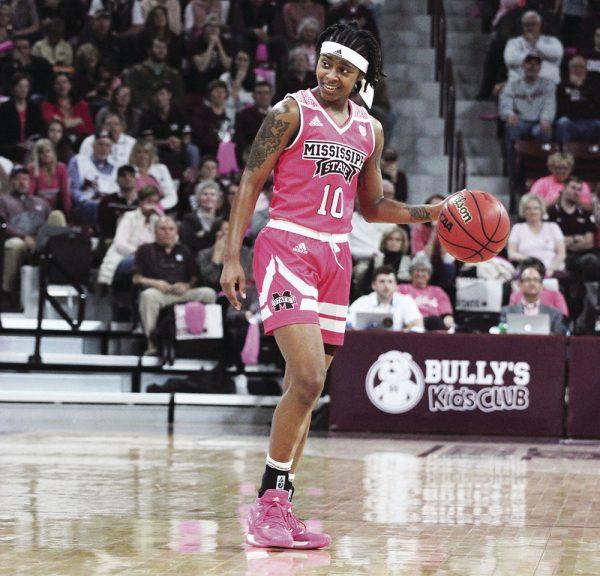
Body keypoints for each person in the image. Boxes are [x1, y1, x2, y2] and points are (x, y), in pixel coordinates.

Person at [220, 23, 445, 549]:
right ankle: (268, 506)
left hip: (336, 257)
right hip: (286, 247)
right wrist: (232, 256)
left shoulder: (370, 131)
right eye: (326, 63)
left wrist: (429, 212)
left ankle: (282, 505)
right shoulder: (289, 113)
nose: (331, 75)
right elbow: (250, 181)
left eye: (344, 69)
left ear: (361, 76)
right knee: (304, 378)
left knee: (309, 389)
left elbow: (372, 207)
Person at [133, 215, 217, 354]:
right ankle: (152, 344)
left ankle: (207, 342)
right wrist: (155, 283)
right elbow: (136, 278)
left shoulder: (184, 250)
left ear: (176, 232)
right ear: (155, 231)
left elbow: (195, 276)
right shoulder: (145, 250)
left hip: (182, 293)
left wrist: (187, 286)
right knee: (147, 296)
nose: (167, 232)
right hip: (160, 293)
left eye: (171, 229)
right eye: (163, 229)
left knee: (208, 293)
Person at [0, 166, 63, 309]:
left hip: (40, 241)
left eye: (25, 179)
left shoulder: (40, 202)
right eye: (18, 179)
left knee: (58, 215)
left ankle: (62, 275)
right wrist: (23, 236)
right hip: (17, 240)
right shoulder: (3, 200)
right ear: (11, 182)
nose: (22, 182)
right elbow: (2, 225)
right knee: (15, 245)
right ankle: (7, 293)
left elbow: (51, 223)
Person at [499, 53, 555, 185]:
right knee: (511, 129)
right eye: (529, 63)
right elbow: (505, 102)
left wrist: (546, 119)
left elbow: (550, 104)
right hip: (520, 121)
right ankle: (513, 174)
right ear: (523, 65)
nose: (532, 66)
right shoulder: (513, 84)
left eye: (536, 64)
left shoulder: (547, 84)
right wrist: (509, 115)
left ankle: (540, 173)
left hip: (538, 123)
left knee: (545, 132)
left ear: (540, 67)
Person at [98, 185, 161, 288]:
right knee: (136, 262)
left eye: (155, 203)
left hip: (150, 262)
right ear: (140, 202)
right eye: (149, 201)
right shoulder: (129, 217)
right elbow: (120, 244)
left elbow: (171, 240)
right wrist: (140, 253)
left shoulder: (157, 220)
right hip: (124, 258)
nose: (152, 206)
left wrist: (160, 215)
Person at [348, 265, 423, 331]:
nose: (386, 286)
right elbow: (347, 322)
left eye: (390, 281)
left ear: (396, 285)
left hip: (397, 345)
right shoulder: (362, 302)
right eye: (382, 281)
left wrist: (406, 332)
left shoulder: (406, 301)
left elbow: (417, 326)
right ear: (373, 285)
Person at [68, 130, 119, 225]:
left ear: (111, 148)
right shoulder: (79, 161)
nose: (103, 148)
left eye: (107, 145)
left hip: (110, 206)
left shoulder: (117, 168)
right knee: (95, 207)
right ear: (93, 145)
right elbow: (73, 190)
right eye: (100, 144)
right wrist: (86, 200)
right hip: (86, 206)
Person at [507, 193, 566, 276]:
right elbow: (511, 253)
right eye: (528, 209)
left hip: (553, 269)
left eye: (536, 208)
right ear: (523, 211)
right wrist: (532, 262)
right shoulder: (518, 228)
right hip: (528, 268)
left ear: (541, 210)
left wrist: (551, 268)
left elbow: (561, 254)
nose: (532, 212)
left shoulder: (553, 227)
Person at [500, 265, 567, 334]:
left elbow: (558, 339)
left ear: (541, 286)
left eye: (536, 280)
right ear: (520, 285)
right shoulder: (507, 312)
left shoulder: (554, 313)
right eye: (527, 280)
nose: (532, 283)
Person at [397, 253, 454, 331]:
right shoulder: (402, 289)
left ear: (429, 274)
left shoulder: (437, 291)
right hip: (410, 326)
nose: (420, 274)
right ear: (411, 273)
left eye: (424, 270)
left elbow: (447, 315)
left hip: (434, 327)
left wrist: (448, 321)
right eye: (416, 270)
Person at [504, 11, 563, 85]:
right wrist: (539, 58)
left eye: (533, 24)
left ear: (539, 25)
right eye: (527, 25)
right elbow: (510, 60)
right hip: (519, 86)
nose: (530, 27)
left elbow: (557, 54)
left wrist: (535, 43)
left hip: (547, 86)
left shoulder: (552, 41)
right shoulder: (513, 42)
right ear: (522, 26)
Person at [126, 38, 184, 109]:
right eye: (158, 47)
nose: (162, 51)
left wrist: (165, 106)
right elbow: (132, 93)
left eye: (164, 48)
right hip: (142, 111)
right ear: (149, 50)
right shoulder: (136, 71)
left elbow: (178, 97)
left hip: (166, 112)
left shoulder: (173, 74)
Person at [555, 55, 600, 146]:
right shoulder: (562, 86)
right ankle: (564, 155)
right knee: (562, 122)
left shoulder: (594, 86)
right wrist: (577, 90)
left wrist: (579, 89)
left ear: (586, 69)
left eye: (581, 67)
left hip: (589, 122)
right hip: (571, 122)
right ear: (569, 68)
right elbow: (562, 108)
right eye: (575, 66)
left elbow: (596, 107)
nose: (578, 69)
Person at [0, 73, 45, 163]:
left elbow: (40, 130)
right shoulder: (4, 109)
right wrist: (16, 145)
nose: (23, 90)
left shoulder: (34, 108)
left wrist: (32, 143)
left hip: (31, 150)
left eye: (26, 86)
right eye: (19, 86)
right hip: (9, 150)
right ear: (13, 88)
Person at [529, 152, 594, 208]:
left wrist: (576, 201)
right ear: (551, 168)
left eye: (565, 168)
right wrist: (558, 200)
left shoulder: (581, 185)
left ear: (570, 169)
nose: (561, 171)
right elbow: (531, 207)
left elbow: (589, 208)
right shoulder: (541, 183)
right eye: (557, 168)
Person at [129, 140, 177, 211]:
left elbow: (172, 197)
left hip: (160, 210)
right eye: (139, 152)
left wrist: (156, 207)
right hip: (136, 210)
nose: (142, 155)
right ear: (134, 154)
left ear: (151, 154)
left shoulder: (161, 169)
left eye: (146, 152)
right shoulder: (129, 170)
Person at [233, 81, 273, 167]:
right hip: (251, 156)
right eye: (259, 93)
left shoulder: (280, 114)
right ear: (253, 96)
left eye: (266, 93)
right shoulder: (244, 115)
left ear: (271, 95)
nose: (263, 96)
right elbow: (239, 140)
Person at [27, 138, 71, 215]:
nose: (46, 154)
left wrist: (68, 213)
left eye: (48, 151)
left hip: (57, 210)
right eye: (41, 152)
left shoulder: (61, 167)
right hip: (38, 210)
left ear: (53, 152)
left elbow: (65, 194)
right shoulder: (32, 168)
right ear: (37, 155)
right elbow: (30, 195)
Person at [179, 179, 223, 254]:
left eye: (212, 194)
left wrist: (204, 235)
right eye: (205, 194)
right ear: (198, 198)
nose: (209, 197)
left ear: (217, 198)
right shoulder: (189, 219)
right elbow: (189, 242)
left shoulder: (222, 219)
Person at [97, 164, 139, 239]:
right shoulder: (107, 202)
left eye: (131, 176)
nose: (127, 178)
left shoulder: (142, 201)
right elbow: (103, 227)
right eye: (123, 176)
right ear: (117, 180)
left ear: (136, 180)